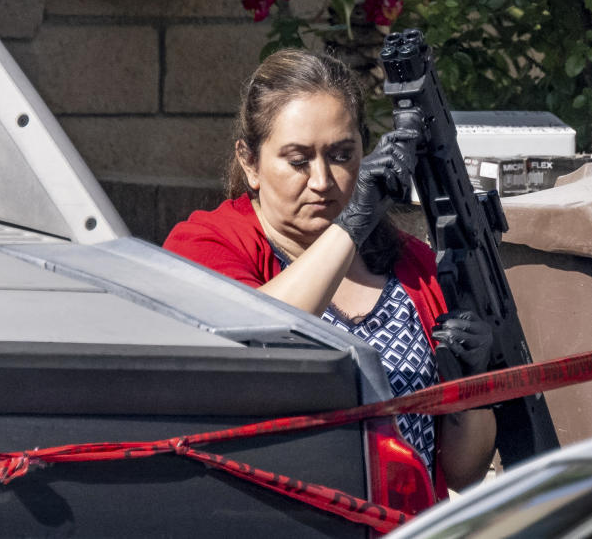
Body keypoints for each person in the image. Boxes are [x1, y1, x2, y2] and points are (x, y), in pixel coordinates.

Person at [163, 49, 495, 494]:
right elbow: (259, 340)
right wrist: (351, 225)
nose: (322, 181)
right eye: (298, 161)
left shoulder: (415, 266)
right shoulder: (205, 243)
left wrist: (468, 391)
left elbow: (462, 473)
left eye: (341, 155)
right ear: (249, 162)